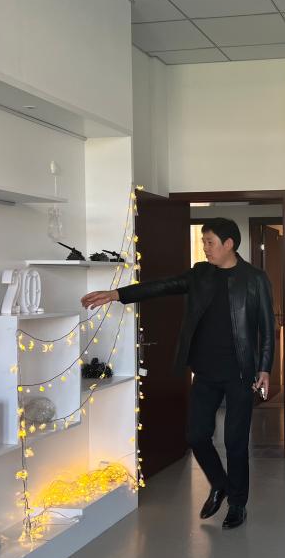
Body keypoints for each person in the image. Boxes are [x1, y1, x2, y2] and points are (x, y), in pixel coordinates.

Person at [81, 218, 273, 530]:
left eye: (210, 242)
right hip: (205, 371)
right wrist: (116, 294)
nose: (205, 247)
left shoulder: (255, 279)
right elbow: (162, 286)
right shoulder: (200, 274)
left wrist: (265, 367)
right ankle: (220, 483)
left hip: (241, 374)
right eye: (204, 241)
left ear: (229, 244)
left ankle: (238, 504)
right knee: (196, 435)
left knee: (236, 442)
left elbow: (266, 326)